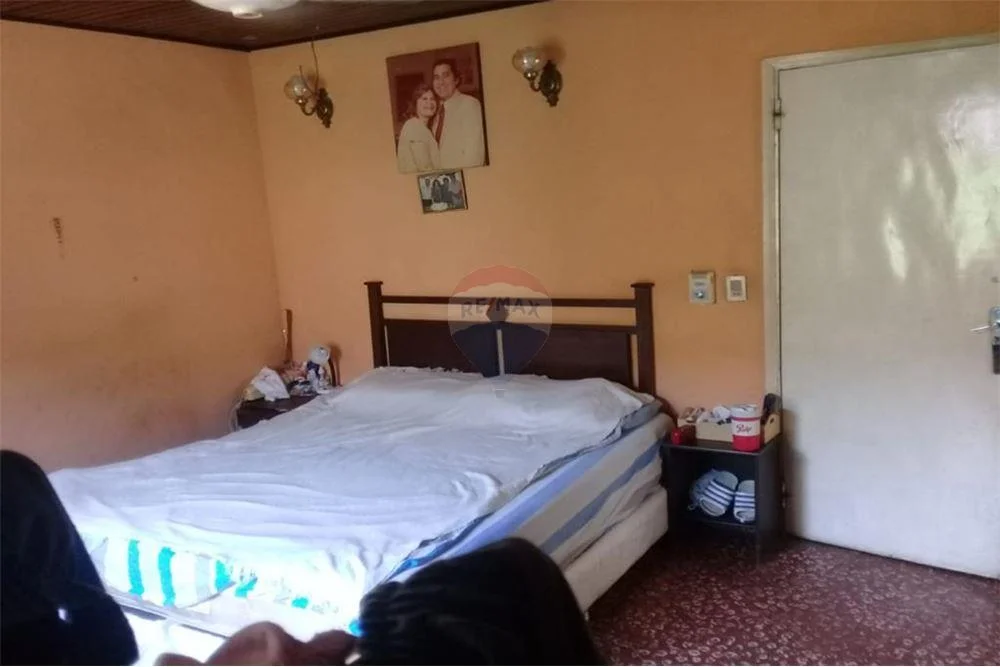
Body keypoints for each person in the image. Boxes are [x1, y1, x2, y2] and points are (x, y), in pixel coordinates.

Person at [1, 449, 601, 665]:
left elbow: (110, 645)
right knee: (512, 576)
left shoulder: (14, 484)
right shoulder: (14, 483)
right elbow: (109, 643)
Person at [429, 58, 486, 169]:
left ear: (456, 80)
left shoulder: (470, 104)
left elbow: (475, 154)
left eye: (445, 76)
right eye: (436, 77)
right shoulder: (435, 111)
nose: (441, 82)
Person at [396, 82, 441, 173]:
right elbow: (422, 167)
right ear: (415, 103)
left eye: (432, 99)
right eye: (424, 99)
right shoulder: (412, 127)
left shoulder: (425, 128)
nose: (429, 103)